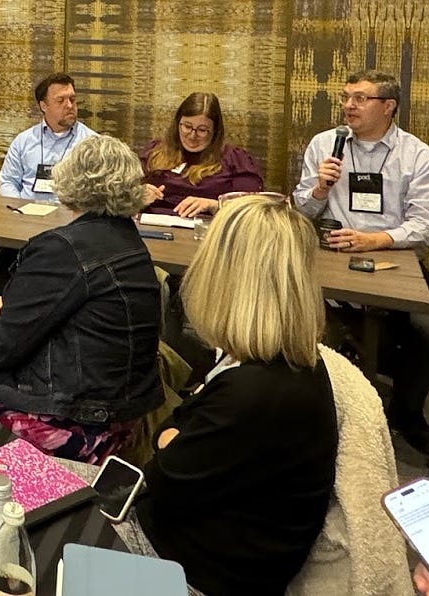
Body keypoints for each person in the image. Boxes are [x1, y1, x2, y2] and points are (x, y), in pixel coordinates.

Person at [0, 134, 162, 464]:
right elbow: (29, 308)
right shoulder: (126, 239)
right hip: (117, 412)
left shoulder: (63, 248)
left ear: (70, 182)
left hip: (72, 422)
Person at [130, 195, 337, 596]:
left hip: (191, 573)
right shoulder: (275, 364)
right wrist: (171, 438)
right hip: (213, 548)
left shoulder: (255, 392)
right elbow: (174, 438)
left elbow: (164, 478)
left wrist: (170, 439)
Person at [293, 69, 429, 458]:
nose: (349, 105)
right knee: (304, 323)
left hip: (394, 263)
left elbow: (426, 225)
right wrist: (320, 188)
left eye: (361, 98)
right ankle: (319, 414)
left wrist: (374, 240)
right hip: (332, 257)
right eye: (346, 96)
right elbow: (301, 207)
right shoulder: (326, 144)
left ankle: (409, 412)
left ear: (388, 106)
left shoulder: (418, 156)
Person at [140, 91, 263, 217]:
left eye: (202, 130)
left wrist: (214, 205)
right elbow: (123, 196)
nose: (193, 136)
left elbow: (251, 208)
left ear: (215, 131)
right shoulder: (155, 150)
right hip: (153, 227)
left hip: (206, 230)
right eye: (187, 127)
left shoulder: (235, 159)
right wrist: (137, 197)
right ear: (177, 124)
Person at [0, 72, 97, 200]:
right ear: (44, 106)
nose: (69, 106)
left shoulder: (93, 144)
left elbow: (100, 191)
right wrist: (18, 211)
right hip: (28, 216)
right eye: (60, 100)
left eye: (72, 99)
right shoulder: (23, 141)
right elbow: (8, 182)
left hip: (71, 217)